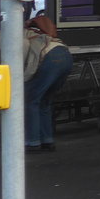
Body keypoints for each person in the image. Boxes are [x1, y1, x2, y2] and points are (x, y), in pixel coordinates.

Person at [19, 15, 72, 152]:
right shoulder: (41, 33)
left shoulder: (21, 34)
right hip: (65, 54)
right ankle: (47, 140)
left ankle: (33, 142)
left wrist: (23, 79)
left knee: (31, 101)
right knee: (45, 101)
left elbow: (30, 61)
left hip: (50, 58)